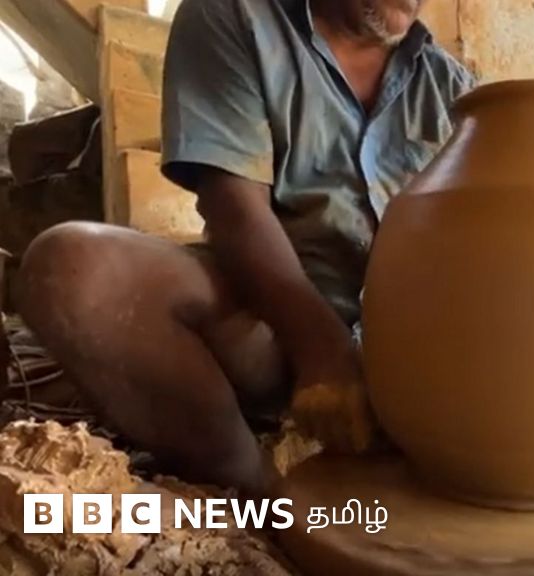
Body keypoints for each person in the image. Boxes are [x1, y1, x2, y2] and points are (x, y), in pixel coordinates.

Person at [15, 0, 475, 496]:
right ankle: (256, 489)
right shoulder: (235, 17)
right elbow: (235, 208)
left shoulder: (455, 91)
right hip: (271, 330)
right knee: (72, 269)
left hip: (412, 352)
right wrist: (323, 353)